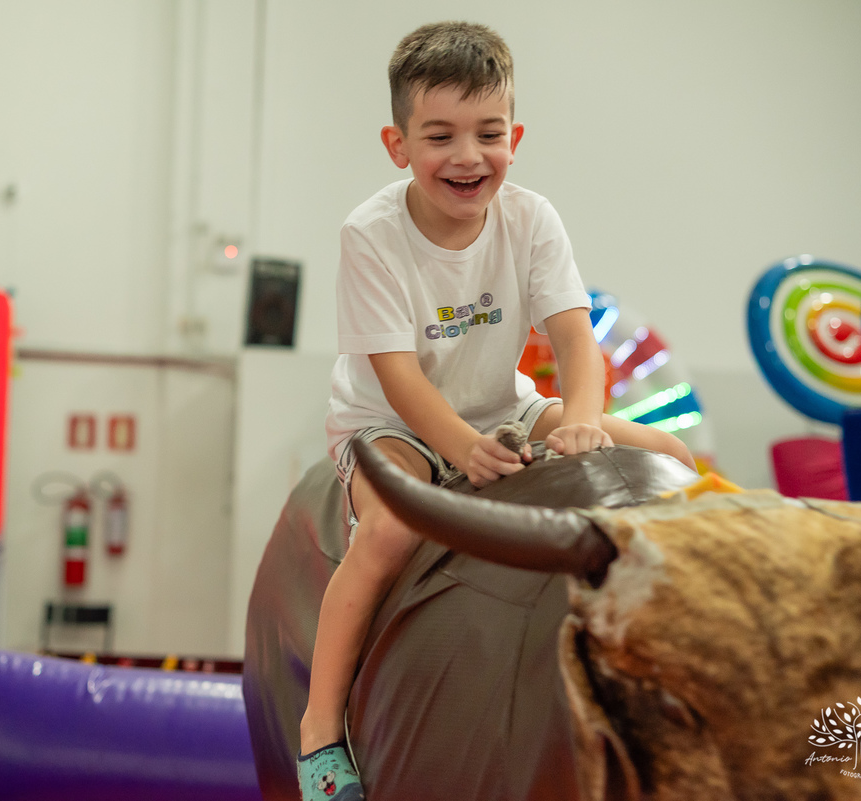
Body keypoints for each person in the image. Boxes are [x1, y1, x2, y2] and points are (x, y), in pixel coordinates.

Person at [297, 21, 697, 800]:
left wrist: (582, 417)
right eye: (440, 136)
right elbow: (399, 377)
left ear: (514, 138)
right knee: (390, 530)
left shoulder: (531, 218)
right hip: (389, 423)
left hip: (503, 404)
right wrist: (458, 448)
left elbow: (576, 340)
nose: (467, 156)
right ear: (397, 145)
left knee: (671, 455)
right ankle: (319, 731)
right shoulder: (371, 234)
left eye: (487, 134)